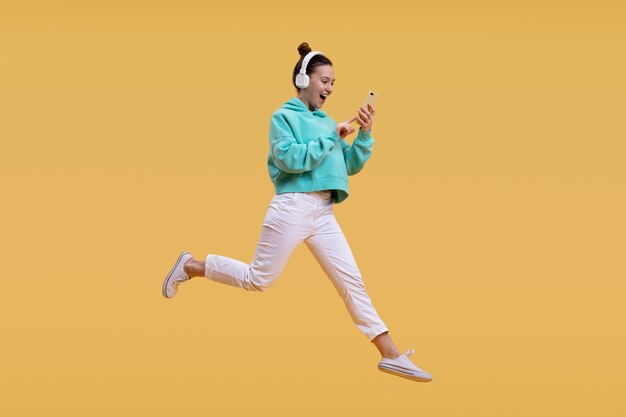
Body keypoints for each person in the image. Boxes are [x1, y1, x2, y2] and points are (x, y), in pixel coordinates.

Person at [162, 42, 432, 382]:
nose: (330, 88)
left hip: (324, 211)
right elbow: (289, 159)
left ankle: (390, 354)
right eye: (324, 80)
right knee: (258, 280)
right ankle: (191, 265)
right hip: (292, 206)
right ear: (304, 80)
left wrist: (363, 133)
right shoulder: (283, 118)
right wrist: (331, 136)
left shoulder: (328, 122)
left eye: (333, 82)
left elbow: (347, 166)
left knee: (353, 283)